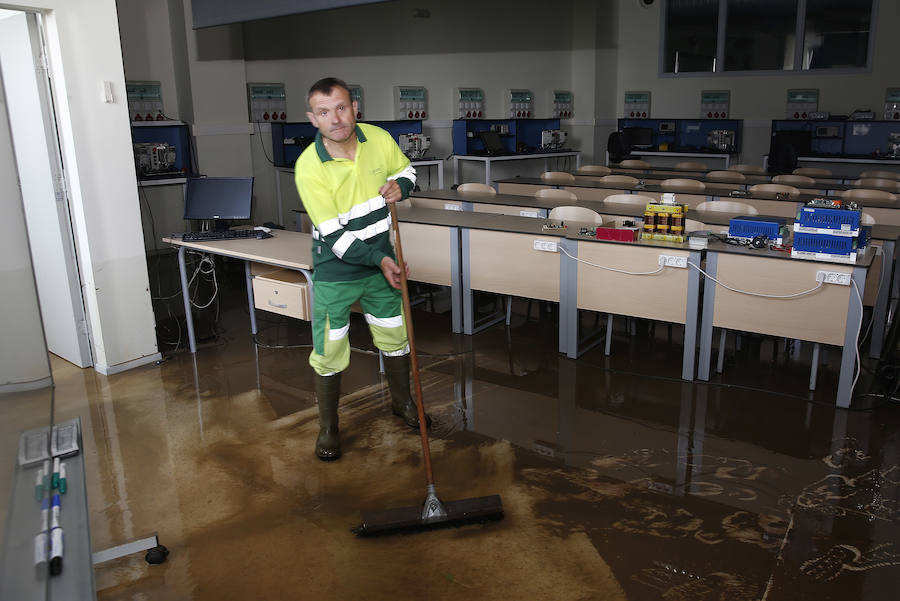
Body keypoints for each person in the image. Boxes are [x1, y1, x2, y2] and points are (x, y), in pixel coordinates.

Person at [294, 77, 430, 461]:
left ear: (354, 107)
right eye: (324, 112)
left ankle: (403, 404)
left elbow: (408, 170)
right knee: (330, 347)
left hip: (380, 267)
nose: (335, 118)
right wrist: (380, 259)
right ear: (313, 119)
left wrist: (403, 186)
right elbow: (335, 238)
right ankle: (328, 427)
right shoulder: (309, 167)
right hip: (337, 272)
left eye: (340, 107)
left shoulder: (378, 138)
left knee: (394, 335)